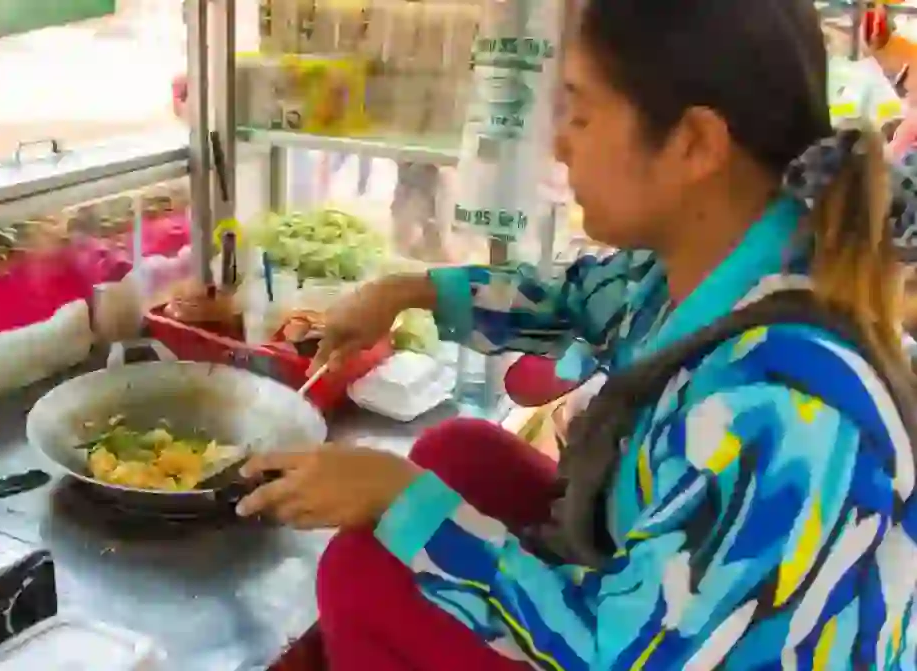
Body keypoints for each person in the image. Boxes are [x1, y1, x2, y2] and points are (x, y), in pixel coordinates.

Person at [234, 0, 917, 668]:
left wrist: (397, 497)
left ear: (695, 143)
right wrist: (406, 292)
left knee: (366, 576)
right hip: (666, 608)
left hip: (653, 647)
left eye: (581, 111)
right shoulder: (702, 264)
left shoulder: (782, 402)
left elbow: (624, 650)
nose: (560, 141)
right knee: (461, 454)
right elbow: (570, 297)